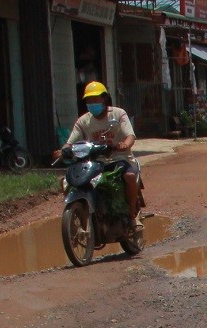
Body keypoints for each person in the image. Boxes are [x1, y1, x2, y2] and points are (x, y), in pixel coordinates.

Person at [54, 82, 144, 229]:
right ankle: (81, 215)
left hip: (120, 159)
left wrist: (124, 145)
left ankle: (132, 214)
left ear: (104, 99)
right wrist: (64, 150)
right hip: (94, 163)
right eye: (89, 101)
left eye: (95, 99)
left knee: (129, 177)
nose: (92, 103)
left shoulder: (118, 114)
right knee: (67, 182)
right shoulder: (83, 121)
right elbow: (70, 142)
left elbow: (130, 136)